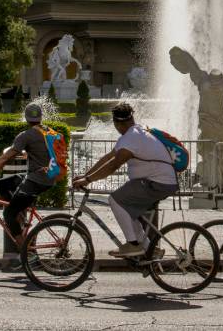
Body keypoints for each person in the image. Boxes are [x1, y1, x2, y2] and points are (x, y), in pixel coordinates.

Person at [72, 102, 178, 257]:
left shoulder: (131, 138)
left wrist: (87, 180)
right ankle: (150, 249)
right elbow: (107, 158)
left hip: (157, 183)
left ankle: (133, 244)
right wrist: (85, 176)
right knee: (127, 209)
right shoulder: (136, 132)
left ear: (117, 123)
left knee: (115, 200)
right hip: (159, 181)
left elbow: (113, 166)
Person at [0, 103, 55, 262]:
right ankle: (18, 209)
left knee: (8, 214)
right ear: (41, 118)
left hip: (36, 181)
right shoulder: (48, 131)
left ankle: (25, 253)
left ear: (26, 118)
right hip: (47, 177)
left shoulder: (26, 135)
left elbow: (4, 158)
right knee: (1, 184)